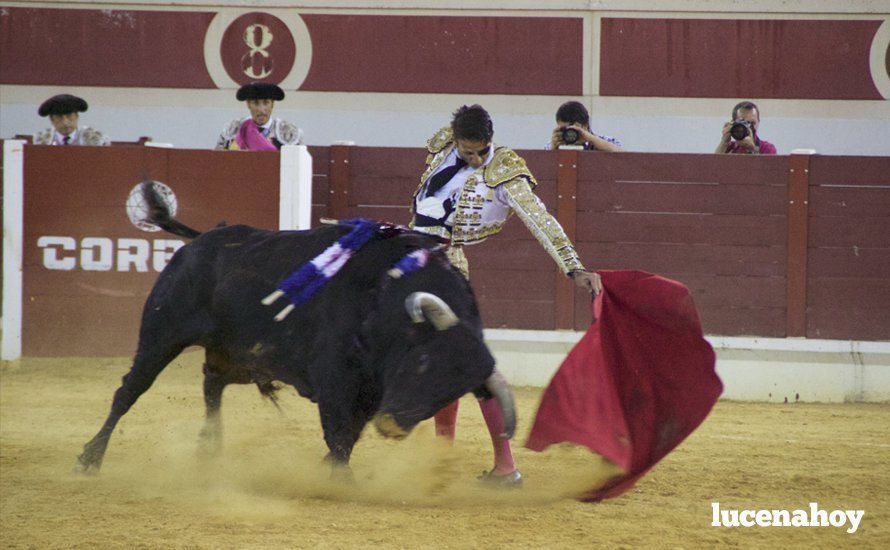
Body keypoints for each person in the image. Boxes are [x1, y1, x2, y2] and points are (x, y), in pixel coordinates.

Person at [410, 104, 601, 487]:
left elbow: (540, 219)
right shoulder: (443, 145)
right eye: (468, 152)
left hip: (448, 266)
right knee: (438, 363)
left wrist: (573, 266)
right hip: (410, 257)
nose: (477, 159)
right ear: (455, 138)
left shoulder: (505, 171)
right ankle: (445, 458)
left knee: (469, 367)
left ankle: (502, 466)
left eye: (482, 151)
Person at [216, 82, 303, 150]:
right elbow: (219, 161)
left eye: (266, 103)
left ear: (272, 104)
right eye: (256, 103)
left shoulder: (287, 132)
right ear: (248, 104)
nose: (261, 109)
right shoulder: (234, 129)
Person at [35, 94, 109, 146]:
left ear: (77, 116)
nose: (65, 122)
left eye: (69, 116)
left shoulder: (95, 139)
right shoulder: (41, 140)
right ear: (51, 119)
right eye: (59, 117)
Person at [548, 101, 623, 152]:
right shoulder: (554, 144)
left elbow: (624, 156)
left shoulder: (607, 142)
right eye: (564, 129)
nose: (569, 133)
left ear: (585, 125)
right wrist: (553, 150)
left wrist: (591, 139)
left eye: (573, 129)